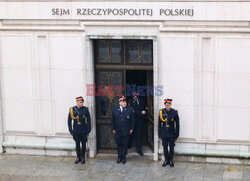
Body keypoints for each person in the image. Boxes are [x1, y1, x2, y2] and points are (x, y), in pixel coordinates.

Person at [112, 96, 135, 164]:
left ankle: (124, 158)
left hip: (126, 130)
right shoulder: (115, 109)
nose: (125, 103)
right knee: (119, 144)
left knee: (125, 145)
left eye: (125, 102)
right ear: (119, 103)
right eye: (123, 102)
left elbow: (133, 120)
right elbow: (112, 120)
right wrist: (113, 128)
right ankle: (119, 157)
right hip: (117, 131)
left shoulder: (130, 109)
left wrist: (131, 128)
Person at [68, 96, 91, 164]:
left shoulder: (85, 109)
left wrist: (88, 129)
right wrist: (71, 130)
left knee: (83, 144)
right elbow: (69, 121)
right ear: (77, 102)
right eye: (80, 102)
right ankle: (78, 157)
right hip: (76, 130)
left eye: (82, 102)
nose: (82, 103)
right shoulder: (72, 110)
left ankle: (83, 157)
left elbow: (88, 120)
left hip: (83, 130)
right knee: (77, 144)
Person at [158, 98, 179, 168]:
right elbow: (159, 124)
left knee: (171, 147)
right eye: (166, 105)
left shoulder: (174, 112)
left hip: (171, 133)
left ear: (171, 104)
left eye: (168, 105)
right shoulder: (161, 112)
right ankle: (166, 160)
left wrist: (177, 134)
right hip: (164, 132)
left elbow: (177, 124)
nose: (167, 106)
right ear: (165, 105)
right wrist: (159, 133)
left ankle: (170, 160)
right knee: (165, 147)